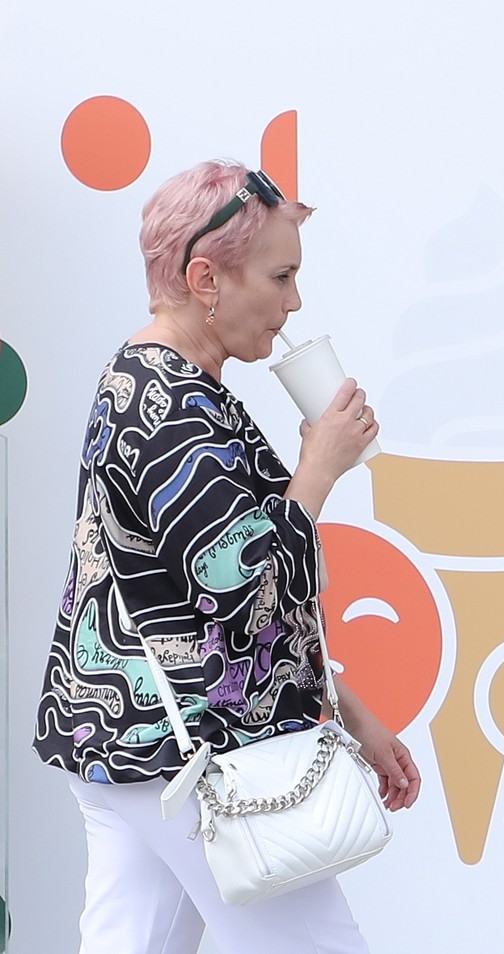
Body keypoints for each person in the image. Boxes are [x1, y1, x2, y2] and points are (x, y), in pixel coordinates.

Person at [32, 159, 420, 954]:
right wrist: (318, 467)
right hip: (196, 756)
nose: (295, 301)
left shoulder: (162, 384)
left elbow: (206, 597)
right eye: (280, 275)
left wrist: (348, 708)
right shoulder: (165, 399)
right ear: (205, 277)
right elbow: (234, 582)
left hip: (143, 746)